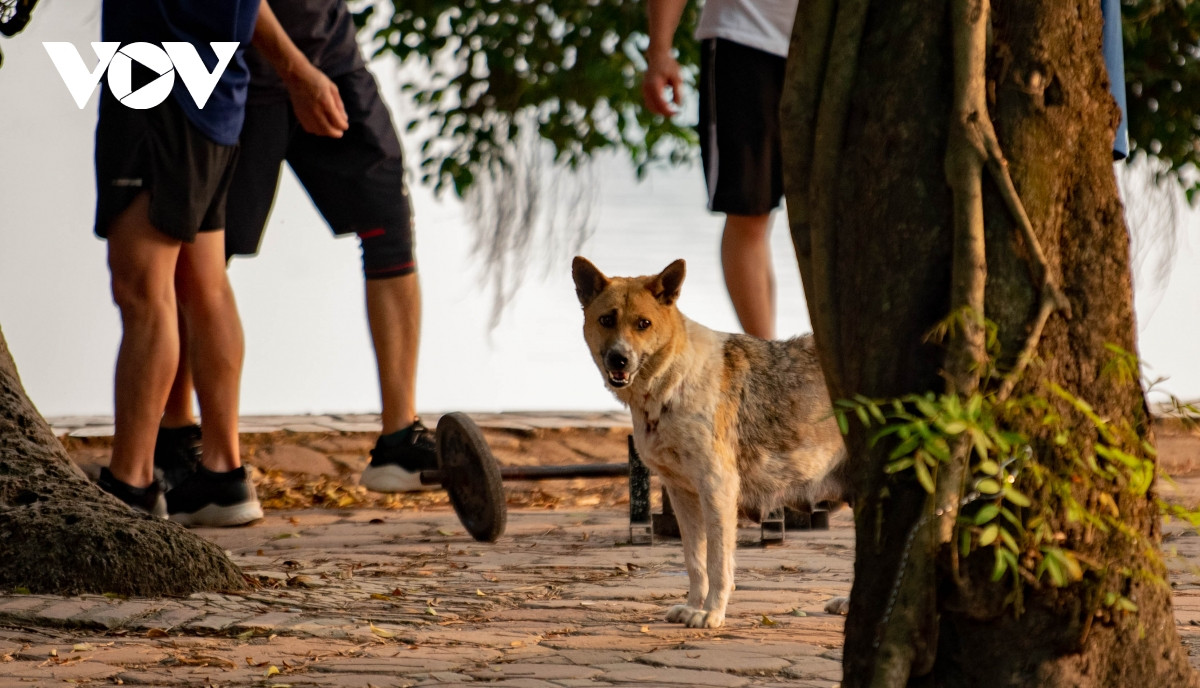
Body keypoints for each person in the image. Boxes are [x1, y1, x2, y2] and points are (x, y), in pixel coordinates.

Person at [154, 0, 437, 496]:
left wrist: (309, 69)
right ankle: (177, 440)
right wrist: (294, 69)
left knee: (388, 228)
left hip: (332, 56)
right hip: (234, 71)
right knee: (198, 259)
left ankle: (399, 440)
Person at [94, 0, 345, 526]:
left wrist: (297, 70)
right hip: (213, 92)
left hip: (160, 79)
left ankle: (129, 485)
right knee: (200, 281)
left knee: (143, 290)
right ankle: (222, 478)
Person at [642, 0, 798, 340]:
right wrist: (659, 52)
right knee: (749, 213)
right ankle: (770, 364)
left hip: (838, 44)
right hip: (746, 35)